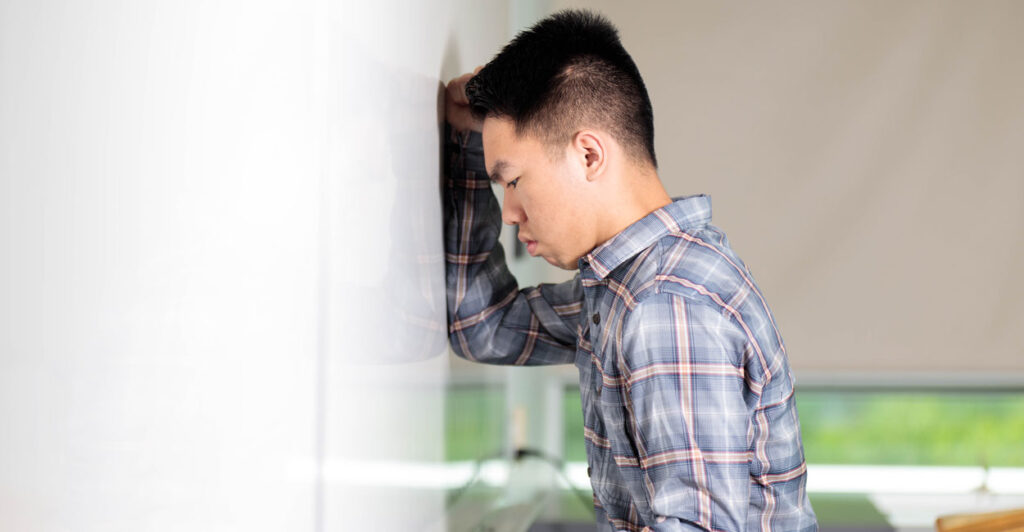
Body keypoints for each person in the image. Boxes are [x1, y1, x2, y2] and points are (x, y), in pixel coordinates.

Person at [443, 9, 817, 532]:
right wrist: (463, 141)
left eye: (513, 181)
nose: (508, 213)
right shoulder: (624, 287)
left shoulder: (665, 305)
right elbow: (482, 327)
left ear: (589, 155)